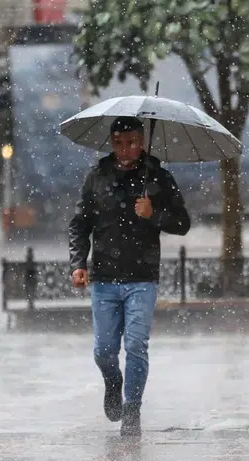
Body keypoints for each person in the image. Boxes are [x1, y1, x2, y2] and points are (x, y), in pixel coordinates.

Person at [69, 116, 191, 437]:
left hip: (142, 277)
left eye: (131, 143)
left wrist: (154, 215)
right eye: (119, 143)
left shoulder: (158, 178)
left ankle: (132, 408)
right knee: (104, 351)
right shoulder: (97, 177)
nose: (124, 150)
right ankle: (113, 380)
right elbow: (80, 224)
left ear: (142, 142)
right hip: (104, 278)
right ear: (112, 143)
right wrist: (78, 263)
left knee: (136, 345)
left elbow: (182, 223)